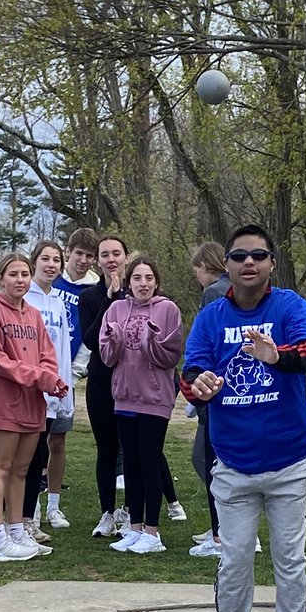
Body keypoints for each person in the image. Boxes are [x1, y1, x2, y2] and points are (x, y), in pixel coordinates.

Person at [182, 224, 306, 612]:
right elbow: (190, 372)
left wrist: (274, 355)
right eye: (240, 256)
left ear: (271, 264)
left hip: (288, 461)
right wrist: (198, 385)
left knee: (289, 558)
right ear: (226, 264)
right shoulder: (211, 317)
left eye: (258, 255)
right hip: (233, 465)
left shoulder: (289, 306)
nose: (248, 263)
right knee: (235, 561)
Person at [0, 253, 66, 562]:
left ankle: (17, 531)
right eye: (13, 274)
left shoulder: (33, 314)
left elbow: (47, 354)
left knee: (22, 470)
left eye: (24, 274)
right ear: (2, 278)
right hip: (4, 401)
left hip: (33, 403)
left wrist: (51, 378)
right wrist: (37, 376)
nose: (20, 280)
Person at [99, 256, 182, 555]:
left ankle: (152, 532)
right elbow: (107, 357)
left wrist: (151, 341)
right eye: (137, 278)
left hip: (154, 399)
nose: (143, 284)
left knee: (149, 462)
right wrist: (117, 339)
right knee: (130, 464)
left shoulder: (168, 310)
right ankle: (134, 529)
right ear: (129, 282)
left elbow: (170, 357)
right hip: (124, 397)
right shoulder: (116, 309)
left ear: (156, 281)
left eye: (148, 278)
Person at [80, 235, 131, 537]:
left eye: (116, 253)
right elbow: (90, 340)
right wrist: (109, 299)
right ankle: (107, 512)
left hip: (132, 383)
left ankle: (131, 512)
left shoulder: (139, 289)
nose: (111, 259)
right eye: (105, 255)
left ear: (125, 256)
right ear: (98, 261)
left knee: (133, 449)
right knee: (107, 450)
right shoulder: (89, 297)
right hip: (101, 382)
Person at [23, 241, 74, 534]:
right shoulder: (24, 298)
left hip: (54, 391)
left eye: (56, 259)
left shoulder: (58, 302)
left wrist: (64, 388)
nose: (51, 265)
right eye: (45, 258)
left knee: (44, 453)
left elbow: (63, 349)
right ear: (35, 262)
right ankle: (24, 513)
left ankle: (42, 510)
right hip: (30, 389)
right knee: (27, 456)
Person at [189, 242, 231, 558]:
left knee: (208, 460)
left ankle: (225, 531)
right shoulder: (237, 289)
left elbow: (206, 344)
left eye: (196, 270)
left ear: (205, 265)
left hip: (215, 390)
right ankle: (224, 525)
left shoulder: (214, 293)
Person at [55, 227, 99, 379]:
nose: (83, 260)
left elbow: (90, 335)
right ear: (68, 251)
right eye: (79, 253)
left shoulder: (95, 290)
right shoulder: (51, 279)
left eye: (89, 256)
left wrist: (75, 373)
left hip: (68, 372)